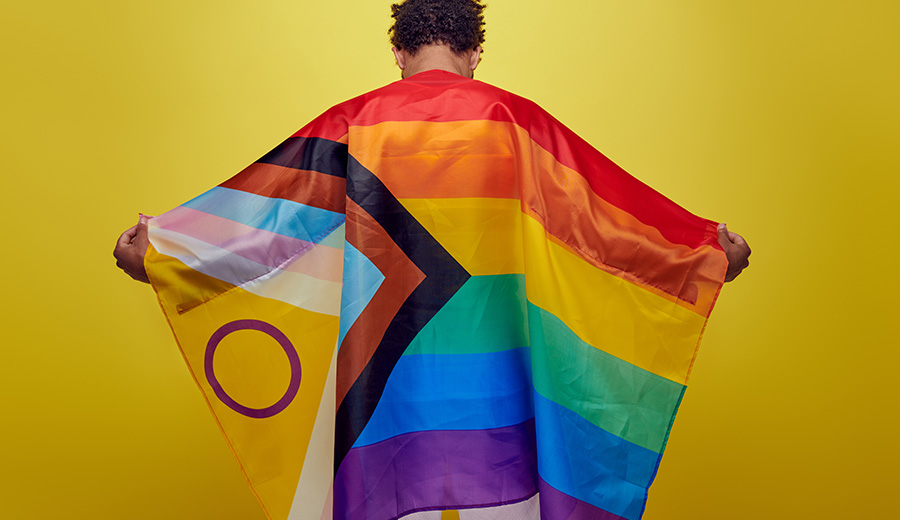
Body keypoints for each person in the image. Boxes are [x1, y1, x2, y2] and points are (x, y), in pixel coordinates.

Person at [114, 1, 750, 519]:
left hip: (383, 410)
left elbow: (272, 224)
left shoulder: (352, 125)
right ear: (475, 53)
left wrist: (164, 250)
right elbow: (600, 225)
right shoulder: (515, 124)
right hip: (501, 413)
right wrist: (701, 254)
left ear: (398, 54)